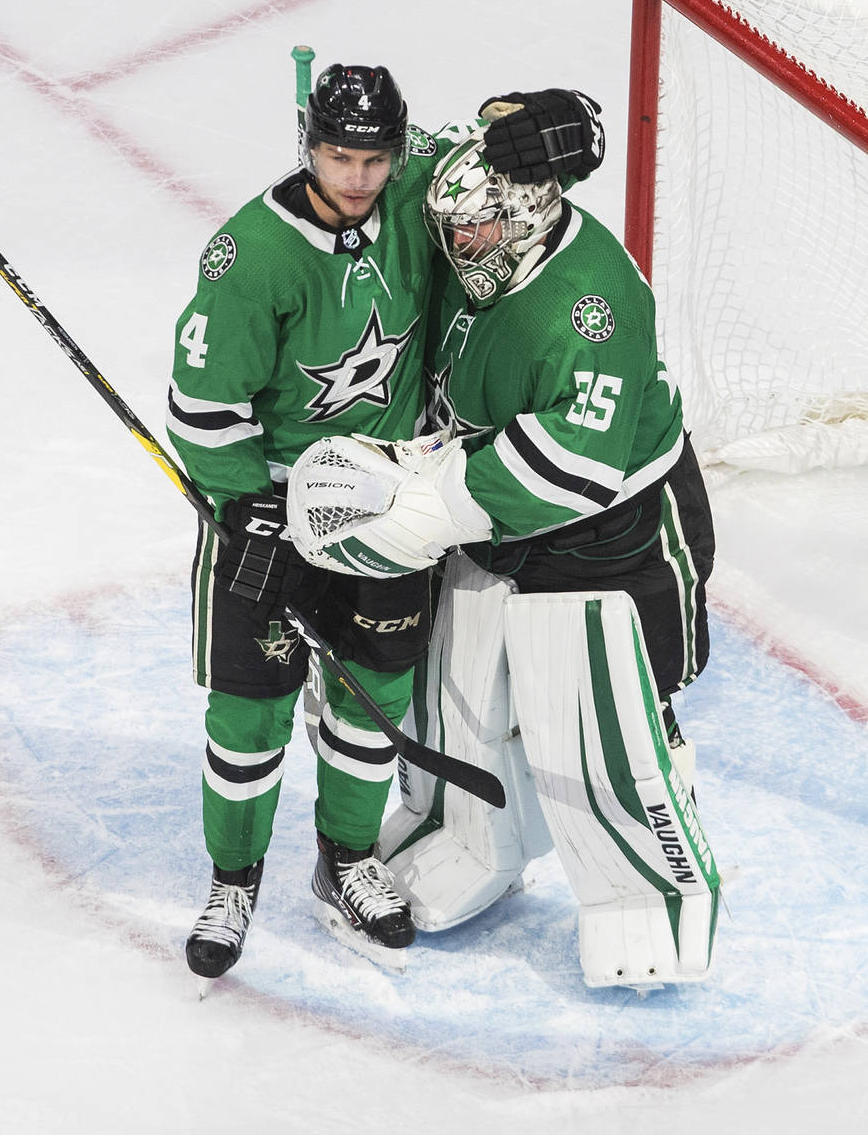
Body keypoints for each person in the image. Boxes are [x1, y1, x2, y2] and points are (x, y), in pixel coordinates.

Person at [166, 63, 605, 981]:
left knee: (375, 704)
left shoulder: (415, 193)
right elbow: (202, 410)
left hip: (391, 509)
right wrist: (246, 506)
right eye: (337, 155)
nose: (359, 177)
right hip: (277, 511)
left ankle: (349, 861)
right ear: (306, 143)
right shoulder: (250, 256)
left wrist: (553, 122)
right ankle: (233, 880)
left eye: (375, 157)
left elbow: (497, 146)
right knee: (249, 715)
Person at [286, 131, 718, 985]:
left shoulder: (590, 305)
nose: (455, 245)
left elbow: (573, 465)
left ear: (526, 215)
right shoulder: (476, 213)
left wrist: (426, 499)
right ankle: (461, 838)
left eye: (476, 232)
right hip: (489, 508)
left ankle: (650, 901)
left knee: (603, 714)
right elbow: (409, 151)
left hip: (610, 531)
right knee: (458, 682)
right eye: (451, 229)